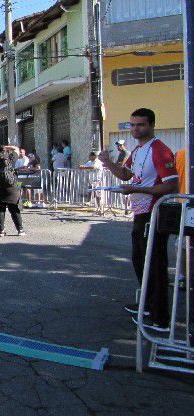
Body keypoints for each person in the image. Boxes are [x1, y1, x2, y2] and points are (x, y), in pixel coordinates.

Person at [99, 108, 178, 332]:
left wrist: (136, 188)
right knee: (140, 259)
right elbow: (125, 174)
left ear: (152, 125)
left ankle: (161, 317)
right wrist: (108, 163)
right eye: (132, 125)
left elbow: (172, 185)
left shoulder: (159, 150)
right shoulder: (138, 149)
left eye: (140, 125)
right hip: (140, 212)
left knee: (155, 263)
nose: (135, 129)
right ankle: (148, 303)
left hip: (155, 211)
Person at [0, 146, 25, 237]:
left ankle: (1, 231)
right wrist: (6, 147)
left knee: (0, 209)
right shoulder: (10, 159)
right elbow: (16, 148)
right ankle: (20, 230)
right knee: (14, 209)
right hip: (11, 189)